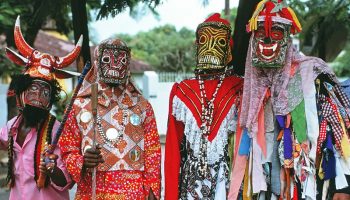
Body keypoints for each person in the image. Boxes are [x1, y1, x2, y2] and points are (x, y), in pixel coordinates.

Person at [229, 1, 350, 199]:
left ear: (287, 36)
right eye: (260, 34)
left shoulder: (312, 74)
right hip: (263, 188)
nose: (267, 40)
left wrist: (343, 187)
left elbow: (340, 133)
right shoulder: (249, 88)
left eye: (276, 33)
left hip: (307, 186)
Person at [58, 38, 161, 199]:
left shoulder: (142, 106)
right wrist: (82, 161)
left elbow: (153, 152)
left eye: (121, 60)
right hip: (92, 190)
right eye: (107, 59)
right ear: (97, 62)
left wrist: (153, 190)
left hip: (133, 194)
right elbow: (67, 149)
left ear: (127, 65)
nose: (114, 65)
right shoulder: (78, 105)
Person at [0, 16, 81, 200]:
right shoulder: (13, 126)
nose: (38, 96)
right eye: (33, 89)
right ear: (21, 92)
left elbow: (66, 181)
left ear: (50, 100)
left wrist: (52, 171)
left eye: (45, 92)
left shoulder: (58, 131)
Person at [164, 13, 243, 199]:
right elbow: (173, 149)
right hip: (191, 182)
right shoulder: (182, 91)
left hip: (228, 182)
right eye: (204, 41)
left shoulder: (240, 87)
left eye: (219, 42)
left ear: (228, 51)